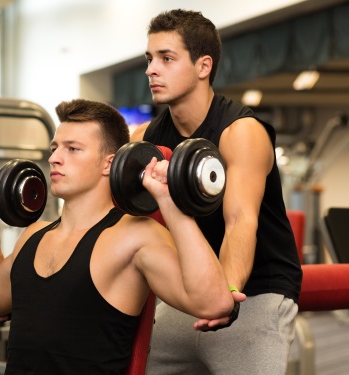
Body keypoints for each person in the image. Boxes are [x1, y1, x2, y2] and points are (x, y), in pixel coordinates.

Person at [0, 98, 240, 374]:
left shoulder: (134, 236)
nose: (54, 158)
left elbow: (214, 302)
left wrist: (169, 201)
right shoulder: (33, 235)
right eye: (54, 148)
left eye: (73, 149)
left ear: (108, 164)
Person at [130, 9, 303, 374]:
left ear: (203, 66)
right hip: (185, 296)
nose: (151, 69)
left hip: (253, 294)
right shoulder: (144, 139)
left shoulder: (240, 131)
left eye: (166, 58)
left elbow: (241, 220)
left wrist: (223, 294)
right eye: (149, 59)